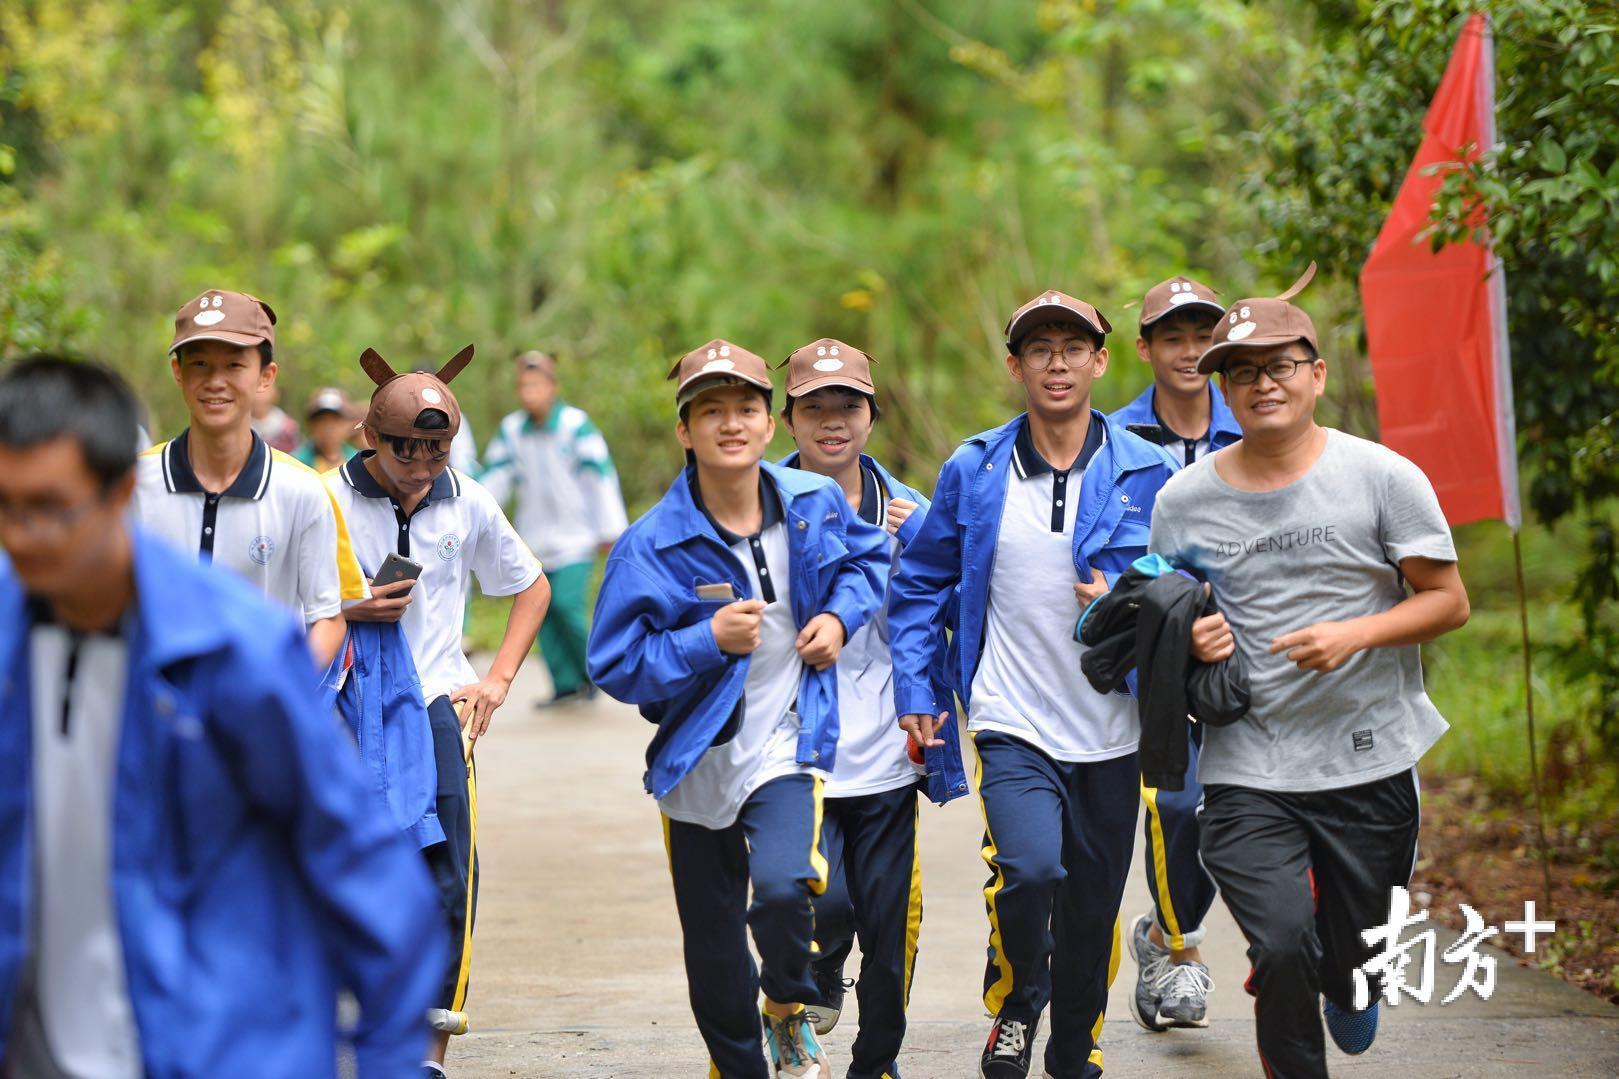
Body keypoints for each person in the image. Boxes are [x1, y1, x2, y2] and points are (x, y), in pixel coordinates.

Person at [0, 355, 443, 1076]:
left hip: (215, 1047)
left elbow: (369, 874)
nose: (25, 536)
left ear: (119, 495)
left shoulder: (234, 651)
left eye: (52, 508)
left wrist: (387, 1060)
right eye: (7, 507)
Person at [1148, 267, 1469, 1078]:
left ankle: (1352, 980)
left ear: (1315, 374)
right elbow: (1167, 618)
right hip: (1249, 764)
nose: (1262, 384)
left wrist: (1354, 634)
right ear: (1221, 388)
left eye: (1279, 365)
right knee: (1281, 939)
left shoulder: (1382, 477)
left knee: (1353, 961)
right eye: (1241, 371)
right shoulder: (1183, 501)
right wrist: (1192, 643)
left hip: (1368, 758)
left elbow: (1447, 599)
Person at [889, 291, 1179, 1079]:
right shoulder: (974, 468)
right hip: (1010, 716)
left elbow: (1192, 586)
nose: (1057, 362)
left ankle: (1074, 1044)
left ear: (1099, 362)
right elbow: (919, 584)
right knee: (1030, 867)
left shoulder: (1152, 472)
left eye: (1072, 347)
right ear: (1015, 366)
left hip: (1112, 728)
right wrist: (916, 690)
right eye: (1039, 349)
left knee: (1090, 906)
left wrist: (1131, 600)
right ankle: (1018, 999)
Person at [586, 340, 888, 1079]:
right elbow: (614, 663)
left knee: (788, 886)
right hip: (697, 759)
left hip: (788, 741)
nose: (730, 423)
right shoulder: (649, 545)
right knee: (715, 945)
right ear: (684, 431)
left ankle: (786, 1001)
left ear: (766, 423)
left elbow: (867, 560)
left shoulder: (812, 502)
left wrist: (841, 619)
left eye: (745, 407)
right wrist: (704, 640)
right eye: (709, 410)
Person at [329, 344, 551, 1078]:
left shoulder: (468, 498)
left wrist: (498, 679)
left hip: (434, 701)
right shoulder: (322, 498)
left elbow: (530, 584)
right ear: (371, 437)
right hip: (345, 700)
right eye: (405, 449)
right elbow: (277, 594)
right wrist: (349, 606)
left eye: (435, 448)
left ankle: (430, 1052)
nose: (421, 464)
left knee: (448, 871)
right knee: (344, 866)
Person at [777, 338, 968, 1079]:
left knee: (890, 927)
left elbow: (948, 609)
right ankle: (819, 969)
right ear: (787, 418)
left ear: (870, 414)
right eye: (813, 407)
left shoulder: (912, 512)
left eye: (847, 405)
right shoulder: (753, 507)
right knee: (824, 903)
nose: (832, 421)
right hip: (797, 751)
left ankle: (876, 1060)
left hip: (888, 753)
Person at [1107, 274, 1240, 1032]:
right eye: (1172, 337)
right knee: (1178, 803)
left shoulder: (1254, 421)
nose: (1189, 351)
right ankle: (1183, 953)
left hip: (1245, 660)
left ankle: (1157, 934)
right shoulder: (1113, 441)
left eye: (1201, 335)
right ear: (1144, 348)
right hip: (1153, 663)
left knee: (1234, 817)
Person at [132, 289, 365, 671]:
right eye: (201, 364)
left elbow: (327, 616)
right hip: (155, 711)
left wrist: (283, 692)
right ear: (178, 371)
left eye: (234, 366)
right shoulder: (134, 483)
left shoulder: (301, 491)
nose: (215, 382)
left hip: (257, 717)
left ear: (265, 376)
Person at [480, 350, 628, 705]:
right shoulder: (513, 430)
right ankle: (565, 685)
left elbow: (600, 478)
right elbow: (496, 477)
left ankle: (592, 674)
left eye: (537, 383)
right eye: (524, 385)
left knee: (565, 604)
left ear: (552, 386)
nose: (530, 391)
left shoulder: (575, 425)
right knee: (539, 613)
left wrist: (611, 530)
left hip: (576, 537)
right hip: (534, 538)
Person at [295, 386, 361, 472]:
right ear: (311, 425)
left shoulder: (358, 462)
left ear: (348, 424)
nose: (329, 427)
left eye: (336, 420)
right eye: (322, 420)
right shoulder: (297, 463)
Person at [251, 378, 302, 453]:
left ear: (275, 393)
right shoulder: (238, 426)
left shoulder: (288, 428)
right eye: (255, 389)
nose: (259, 396)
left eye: (265, 389)